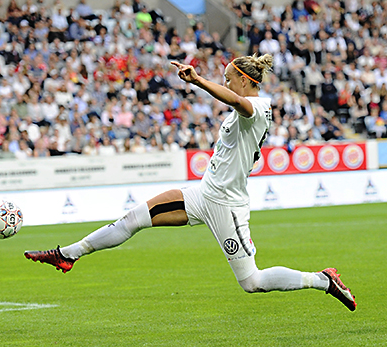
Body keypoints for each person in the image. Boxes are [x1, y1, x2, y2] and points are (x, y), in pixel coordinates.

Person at [24, 54, 357, 311]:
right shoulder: (248, 109)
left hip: (226, 206)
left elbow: (237, 103)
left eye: (228, 80)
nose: (226, 85)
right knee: (133, 219)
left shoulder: (256, 105)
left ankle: (322, 280)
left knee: (252, 282)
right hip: (203, 194)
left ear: (242, 80)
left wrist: (197, 80)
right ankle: (67, 254)